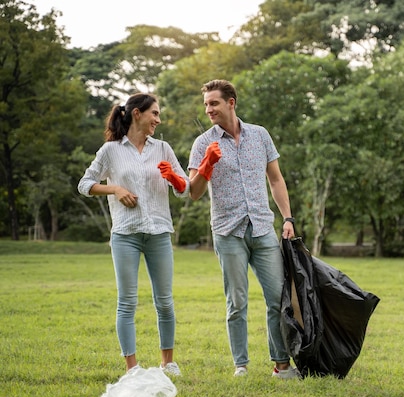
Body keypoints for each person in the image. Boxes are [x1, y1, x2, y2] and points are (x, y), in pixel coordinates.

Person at [188, 79, 299, 379]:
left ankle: (282, 365)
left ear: (231, 103)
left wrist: (287, 218)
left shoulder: (260, 135)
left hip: (262, 227)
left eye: (214, 103)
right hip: (227, 232)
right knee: (236, 301)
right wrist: (207, 164)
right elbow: (193, 192)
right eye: (206, 105)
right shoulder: (202, 143)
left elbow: (275, 179)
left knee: (278, 298)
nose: (209, 109)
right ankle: (241, 366)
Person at [78, 93, 188, 377]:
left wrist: (174, 178)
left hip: (159, 232)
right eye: (154, 113)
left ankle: (168, 363)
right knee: (127, 301)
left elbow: (184, 187)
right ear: (137, 114)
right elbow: (85, 184)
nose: (158, 120)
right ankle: (132, 367)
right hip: (125, 233)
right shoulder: (110, 150)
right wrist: (114, 189)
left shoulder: (162, 148)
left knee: (164, 300)